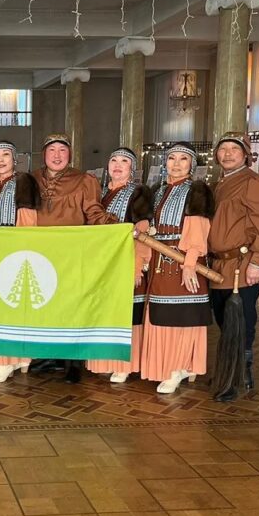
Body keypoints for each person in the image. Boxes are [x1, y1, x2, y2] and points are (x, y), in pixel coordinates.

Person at [31, 133, 117, 378]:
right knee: (44, 303)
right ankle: (47, 355)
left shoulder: (84, 180)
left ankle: (72, 362)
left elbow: (93, 212)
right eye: (52, 150)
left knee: (71, 306)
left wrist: (117, 226)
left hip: (71, 253)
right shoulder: (31, 179)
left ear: (70, 154)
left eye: (62, 150)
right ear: (44, 154)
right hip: (41, 252)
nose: (57, 155)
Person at [208, 133, 259, 401]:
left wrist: (258, 261)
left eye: (234, 149)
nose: (227, 154)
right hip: (219, 264)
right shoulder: (219, 184)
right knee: (223, 319)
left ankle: (239, 373)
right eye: (223, 149)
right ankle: (231, 369)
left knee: (240, 320)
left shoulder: (254, 182)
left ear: (246, 155)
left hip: (243, 263)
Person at [140, 143, 215, 394]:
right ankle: (167, 366)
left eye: (183, 159)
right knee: (161, 314)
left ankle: (180, 366)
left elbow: (198, 230)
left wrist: (190, 264)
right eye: (172, 158)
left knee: (183, 316)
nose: (176, 163)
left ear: (192, 164)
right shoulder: (156, 190)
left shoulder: (197, 190)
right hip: (158, 261)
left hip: (184, 261)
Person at [86, 148, 153, 384]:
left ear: (131, 168)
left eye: (124, 161)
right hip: (103, 265)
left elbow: (142, 232)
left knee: (128, 315)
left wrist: (137, 266)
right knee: (106, 313)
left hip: (126, 262)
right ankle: (106, 360)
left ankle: (126, 364)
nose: (117, 165)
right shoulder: (101, 194)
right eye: (113, 160)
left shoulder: (138, 193)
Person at [0, 141, 41, 383]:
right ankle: (19, 358)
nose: (1, 159)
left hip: (13, 250)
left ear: (15, 159)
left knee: (9, 306)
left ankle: (5, 360)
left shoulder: (23, 181)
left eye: (6, 155)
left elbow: (27, 221)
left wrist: (19, 250)